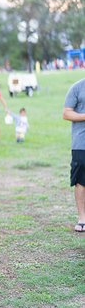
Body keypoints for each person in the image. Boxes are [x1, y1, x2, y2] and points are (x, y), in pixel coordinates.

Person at [62, 78, 85, 233]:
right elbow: (66, 113)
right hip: (81, 142)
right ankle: (82, 218)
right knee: (81, 180)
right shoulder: (77, 87)